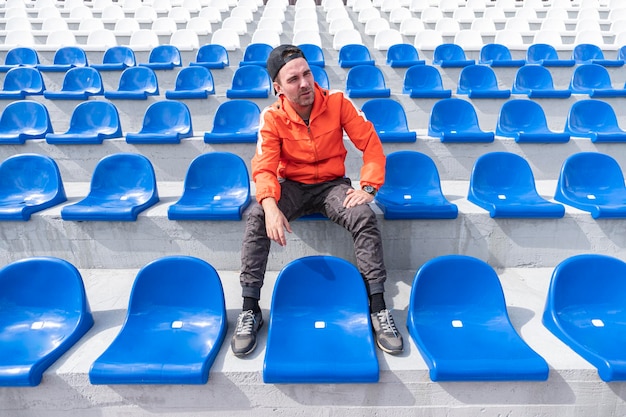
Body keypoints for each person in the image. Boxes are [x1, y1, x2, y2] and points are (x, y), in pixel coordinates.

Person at [231, 44, 403, 357]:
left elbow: (371, 144)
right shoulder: (271, 117)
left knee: (364, 215)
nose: (305, 83)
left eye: (307, 73)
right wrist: (270, 207)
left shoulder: (337, 102)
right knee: (257, 215)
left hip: (332, 187)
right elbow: (264, 167)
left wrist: (369, 187)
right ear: (278, 87)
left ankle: (377, 306)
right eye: (293, 79)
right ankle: (250, 308)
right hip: (292, 187)